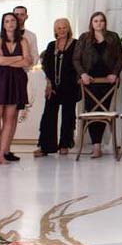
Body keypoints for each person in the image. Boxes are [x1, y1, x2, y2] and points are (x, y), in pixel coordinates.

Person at [0, 12, 31, 166]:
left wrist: (7, 60)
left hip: (16, 81)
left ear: (17, 23)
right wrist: (18, 58)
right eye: (7, 21)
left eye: (12, 21)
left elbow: (27, 61)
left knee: (9, 120)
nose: (10, 23)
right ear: (3, 24)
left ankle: (2, 155)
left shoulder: (24, 41)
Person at [73, 12, 122, 158]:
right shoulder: (84, 38)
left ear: (105, 23)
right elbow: (76, 59)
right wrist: (82, 74)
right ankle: (96, 147)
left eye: (101, 21)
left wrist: (115, 73)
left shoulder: (113, 37)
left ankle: (103, 145)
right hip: (90, 82)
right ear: (91, 23)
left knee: (104, 113)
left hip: (108, 82)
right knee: (91, 113)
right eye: (95, 21)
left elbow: (119, 58)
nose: (99, 23)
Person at [34, 19, 79, 157]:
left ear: (69, 28)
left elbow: (79, 64)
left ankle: (64, 144)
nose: (62, 30)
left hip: (70, 86)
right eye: (59, 28)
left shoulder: (76, 44)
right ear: (55, 30)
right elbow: (46, 65)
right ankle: (46, 146)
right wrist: (48, 83)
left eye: (64, 27)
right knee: (48, 115)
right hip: (53, 86)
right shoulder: (51, 45)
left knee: (68, 115)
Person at [1, 4, 39, 162]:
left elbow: (33, 58)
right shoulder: (1, 34)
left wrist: (15, 62)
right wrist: (16, 60)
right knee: (0, 115)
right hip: (3, 78)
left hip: (20, 77)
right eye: (16, 14)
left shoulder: (30, 36)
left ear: (26, 16)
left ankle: (6, 149)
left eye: (22, 14)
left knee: (13, 115)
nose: (18, 17)